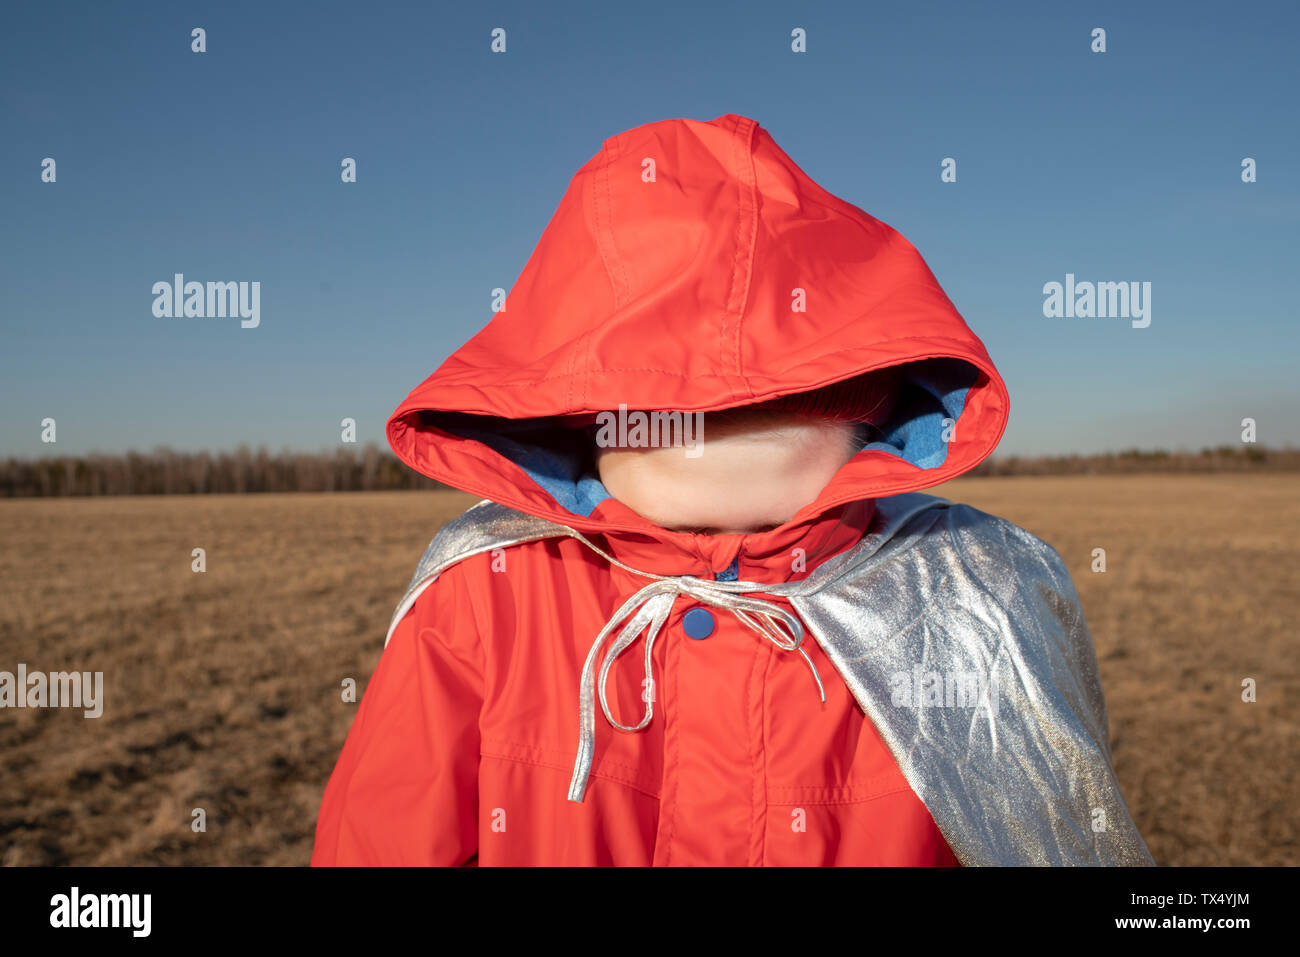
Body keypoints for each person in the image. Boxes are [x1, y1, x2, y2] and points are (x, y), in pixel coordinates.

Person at [311, 113, 1153, 866]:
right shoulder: (484, 596)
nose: (708, 419)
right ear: (571, 404)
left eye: (771, 390)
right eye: (665, 389)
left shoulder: (973, 587)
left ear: (866, 393)